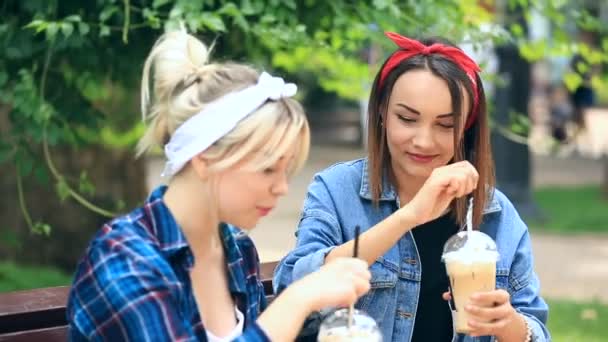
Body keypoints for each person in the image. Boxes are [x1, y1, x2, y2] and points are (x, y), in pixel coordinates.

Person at [66, 29, 371, 342]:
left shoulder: (236, 250)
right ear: (204, 158)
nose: (282, 188)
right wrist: (297, 300)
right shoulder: (123, 259)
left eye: (288, 171)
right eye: (268, 169)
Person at [274, 32, 550, 342]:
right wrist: (409, 217)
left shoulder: (494, 213)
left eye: (445, 125)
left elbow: (535, 328)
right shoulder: (337, 190)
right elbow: (292, 287)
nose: (423, 140)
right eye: (407, 118)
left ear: (466, 127)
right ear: (381, 112)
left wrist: (507, 323)